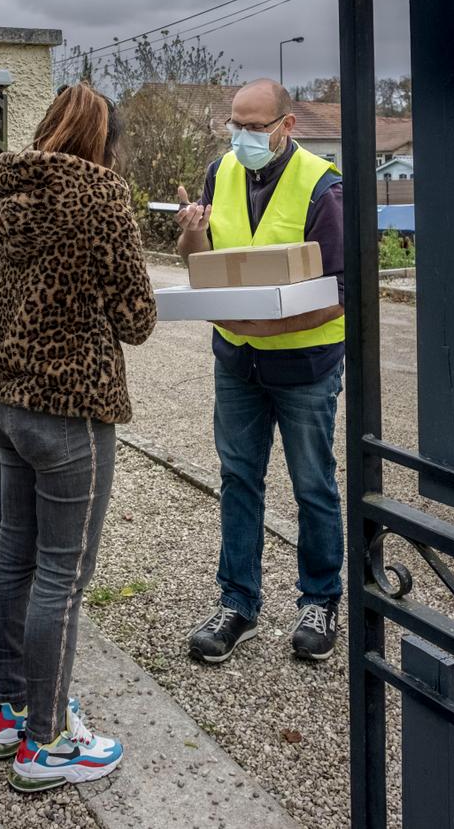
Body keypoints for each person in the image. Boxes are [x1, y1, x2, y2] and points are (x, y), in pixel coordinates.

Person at [0, 83, 157, 792]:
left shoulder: (10, 188)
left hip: (9, 399)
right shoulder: (102, 195)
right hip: (70, 409)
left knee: (13, 555)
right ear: (101, 139)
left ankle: (12, 711)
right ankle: (46, 744)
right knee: (61, 574)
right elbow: (137, 317)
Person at [176, 78, 346, 664]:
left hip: (305, 366)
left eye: (254, 126)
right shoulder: (220, 172)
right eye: (235, 124)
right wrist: (192, 235)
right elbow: (201, 263)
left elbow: (341, 291)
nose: (241, 136)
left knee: (313, 486)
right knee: (239, 480)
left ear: (286, 125)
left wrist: (263, 330)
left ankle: (320, 599)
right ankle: (237, 604)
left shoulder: (323, 186)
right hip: (237, 363)